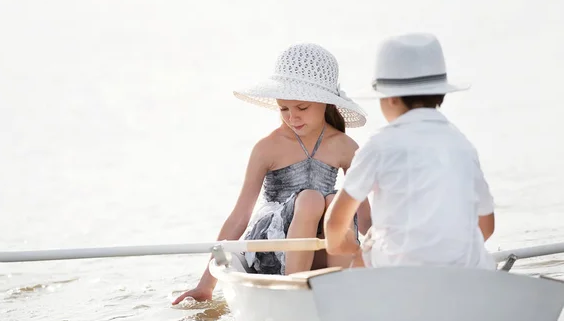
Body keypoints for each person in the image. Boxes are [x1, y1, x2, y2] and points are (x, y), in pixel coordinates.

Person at [172, 43, 370, 305]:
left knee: (336, 203)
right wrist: (205, 285)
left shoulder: (345, 147)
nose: (292, 118)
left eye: (301, 108)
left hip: (321, 247)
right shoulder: (268, 148)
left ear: (325, 103)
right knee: (310, 199)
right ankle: (294, 296)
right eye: (283, 109)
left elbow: (367, 222)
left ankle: (344, 294)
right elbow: (240, 217)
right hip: (271, 248)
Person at [324, 33, 496, 270]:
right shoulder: (463, 145)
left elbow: (335, 225)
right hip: (465, 270)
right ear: (440, 94)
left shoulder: (379, 144)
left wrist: (346, 248)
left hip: (399, 272)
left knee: (367, 250)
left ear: (391, 99)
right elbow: (487, 226)